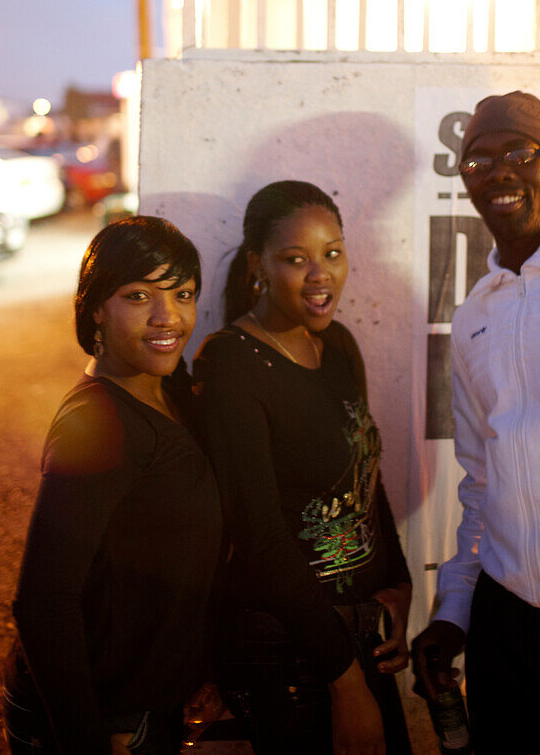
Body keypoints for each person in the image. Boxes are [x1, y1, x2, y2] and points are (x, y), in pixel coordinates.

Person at [411, 91, 540, 752]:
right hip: (510, 630)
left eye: (518, 153)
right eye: (476, 160)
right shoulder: (476, 310)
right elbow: (481, 483)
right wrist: (453, 608)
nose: (496, 170)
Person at [193, 180, 412, 755]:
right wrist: (345, 679)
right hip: (291, 653)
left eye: (332, 254)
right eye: (296, 259)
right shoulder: (230, 364)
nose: (322, 275)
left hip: (361, 638)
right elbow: (259, 538)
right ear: (257, 266)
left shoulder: (337, 345)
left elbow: (368, 473)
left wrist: (399, 582)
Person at [4, 216, 223, 755]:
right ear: (96, 307)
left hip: (150, 708)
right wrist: (87, 741)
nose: (167, 316)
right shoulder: (98, 422)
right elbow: (42, 600)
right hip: (110, 722)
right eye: (138, 295)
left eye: (183, 293)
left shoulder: (168, 388)